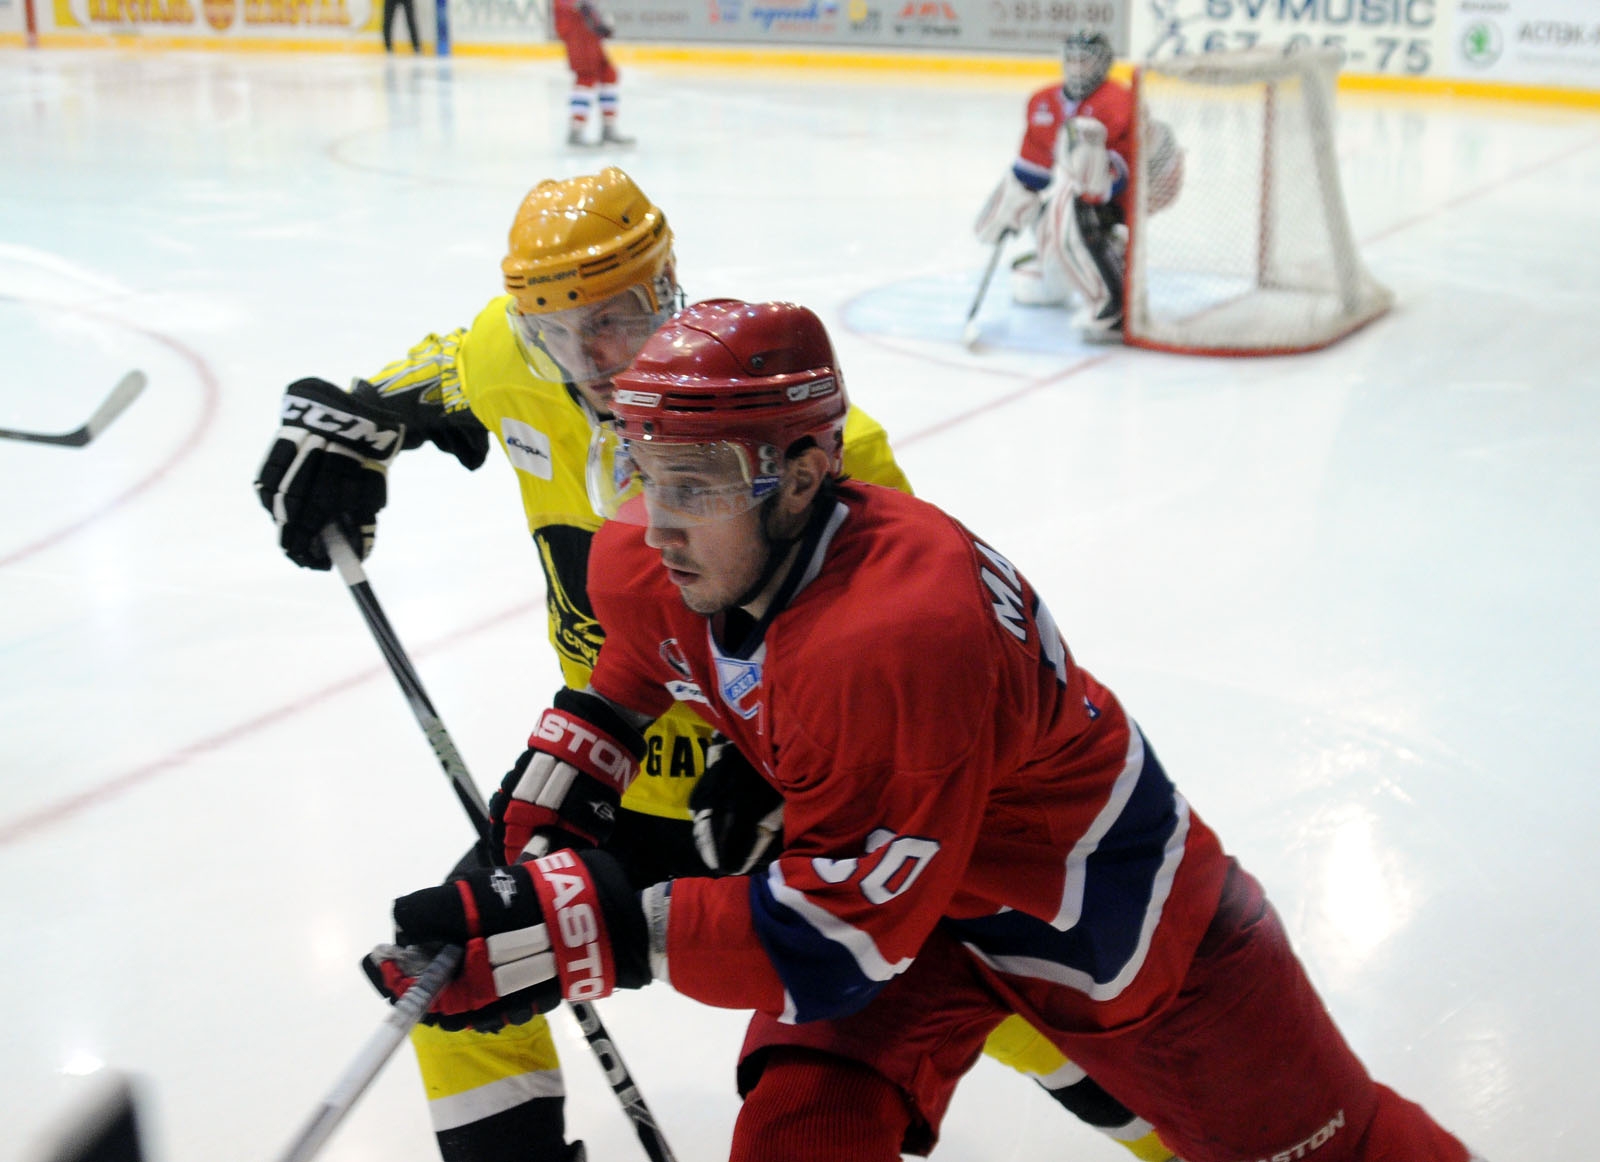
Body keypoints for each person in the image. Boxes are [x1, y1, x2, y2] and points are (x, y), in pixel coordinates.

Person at [365, 298, 1485, 1162]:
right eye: (646, 474)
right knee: (799, 1136)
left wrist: (586, 925)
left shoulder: (901, 629)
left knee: (1332, 1151)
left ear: (805, 475)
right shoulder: (656, 550)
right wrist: (567, 779)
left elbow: (835, 940)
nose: (657, 526)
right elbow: (635, 666)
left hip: (1105, 917)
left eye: (693, 485)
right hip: (912, 904)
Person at [254, 171, 1175, 1162]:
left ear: (667, 288)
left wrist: (774, 767)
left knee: (953, 979)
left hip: (789, 789)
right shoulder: (513, 360)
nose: (591, 360)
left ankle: (1179, 1137)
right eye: (557, 332)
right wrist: (357, 422)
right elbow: (448, 367)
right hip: (611, 768)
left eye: (616, 319)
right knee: (461, 970)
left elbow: (895, 657)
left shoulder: (811, 444)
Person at [974, 29, 1184, 342]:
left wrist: (1087, 183)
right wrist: (1009, 208)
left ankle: (1116, 305)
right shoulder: (1043, 102)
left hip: (1131, 192)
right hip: (1089, 192)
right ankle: (1057, 278)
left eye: (1085, 61)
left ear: (1103, 65)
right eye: (1072, 60)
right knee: (1049, 218)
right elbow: (1032, 174)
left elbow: (1116, 176)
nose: (1077, 68)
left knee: (1073, 204)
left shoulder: (1120, 101)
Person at [553, 0, 630, 147]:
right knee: (586, 75)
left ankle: (608, 126)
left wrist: (596, 18)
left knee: (607, 73)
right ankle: (576, 129)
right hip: (575, 26)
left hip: (585, 26)